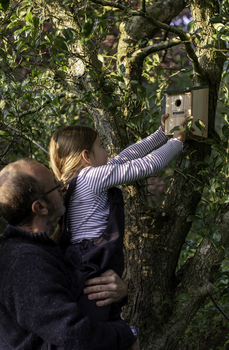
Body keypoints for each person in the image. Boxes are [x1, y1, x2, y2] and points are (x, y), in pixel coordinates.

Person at [48, 113, 190, 322]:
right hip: (94, 260)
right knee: (101, 320)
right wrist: (177, 141)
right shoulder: (91, 177)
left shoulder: (73, 182)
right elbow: (148, 165)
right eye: (101, 146)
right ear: (86, 156)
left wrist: (161, 134)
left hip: (82, 260)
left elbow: (125, 157)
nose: (106, 151)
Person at [0, 158, 139, 350]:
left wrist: (119, 292)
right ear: (40, 207)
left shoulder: (44, 248)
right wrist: (128, 335)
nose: (63, 185)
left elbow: (73, 299)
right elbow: (72, 334)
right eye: (54, 184)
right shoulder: (25, 262)